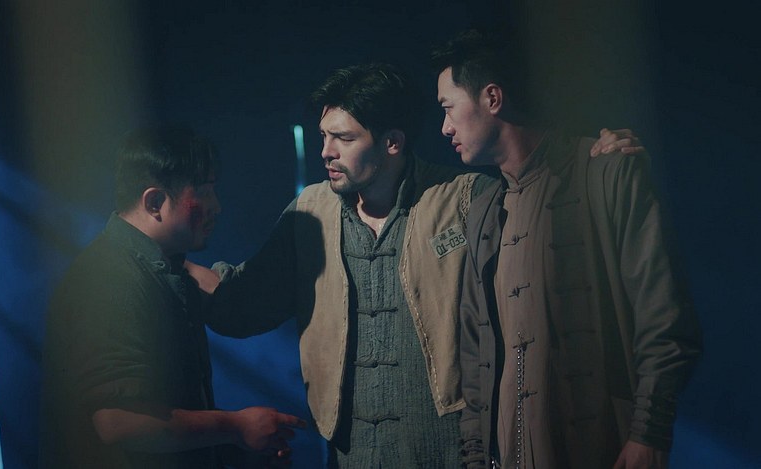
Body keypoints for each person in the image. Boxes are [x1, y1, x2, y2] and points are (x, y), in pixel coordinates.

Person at [186, 64, 638, 468]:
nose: (327, 151)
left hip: (451, 451)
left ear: (392, 143)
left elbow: (550, 236)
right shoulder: (311, 212)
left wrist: (594, 162)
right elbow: (243, 302)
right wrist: (161, 259)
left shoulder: (464, 199)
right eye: (324, 136)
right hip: (351, 456)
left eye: (344, 138)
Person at [431, 30, 703, 468]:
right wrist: (476, 458)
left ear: (493, 98)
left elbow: (664, 318)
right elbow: (475, 353)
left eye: (448, 108)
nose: (445, 127)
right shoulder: (484, 211)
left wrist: (648, 433)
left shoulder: (605, 173)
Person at [38, 126, 305, 469]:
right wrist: (235, 427)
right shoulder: (111, 279)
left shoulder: (159, 270)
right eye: (204, 191)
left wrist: (235, 446)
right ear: (154, 202)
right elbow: (119, 422)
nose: (216, 206)